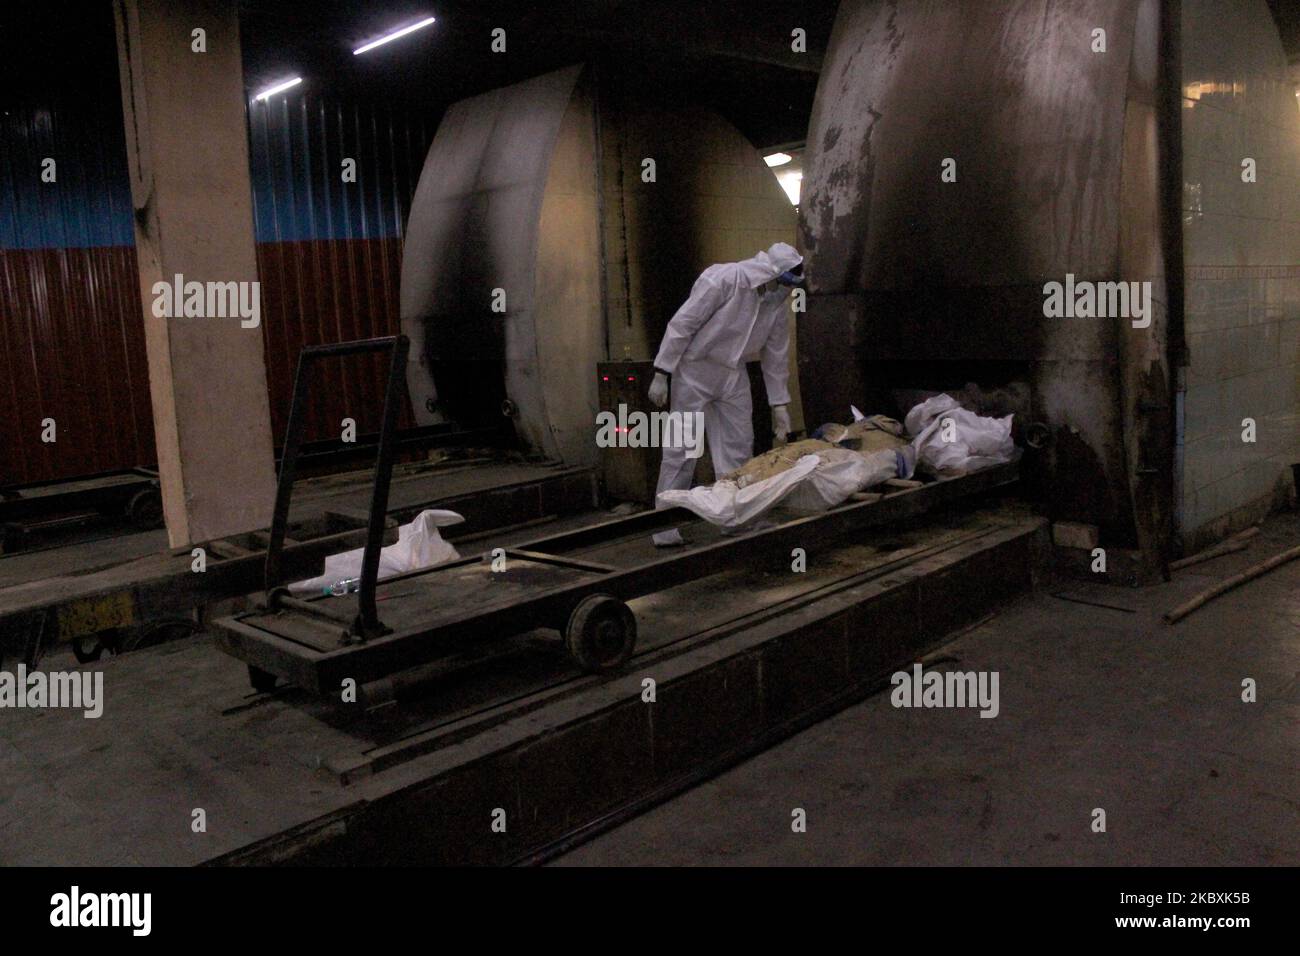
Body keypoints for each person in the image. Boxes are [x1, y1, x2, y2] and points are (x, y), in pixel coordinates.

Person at [648, 242, 804, 496]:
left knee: (739, 447)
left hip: (733, 374)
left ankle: (736, 519)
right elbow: (684, 322)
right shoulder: (725, 279)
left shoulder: (774, 306)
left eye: (790, 285)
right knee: (682, 448)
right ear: (770, 273)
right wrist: (662, 371)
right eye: (784, 282)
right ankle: (666, 527)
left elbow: (775, 355)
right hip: (694, 371)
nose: (786, 290)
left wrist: (780, 404)